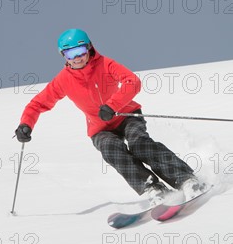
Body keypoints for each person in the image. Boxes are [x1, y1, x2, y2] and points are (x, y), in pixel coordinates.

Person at [14, 28, 204, 205]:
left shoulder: (106, 64)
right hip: (100, 128)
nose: (77, 57)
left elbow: (133, 82)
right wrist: (26, 124)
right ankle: (153, 189)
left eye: (80, 50)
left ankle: (186, 180)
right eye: (71, 54)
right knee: (110, 149)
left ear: (88, 48)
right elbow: (37, 104)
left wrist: (113, 105)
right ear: (64, 56)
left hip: (126, 115)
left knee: (139, 144)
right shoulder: (63, 80)